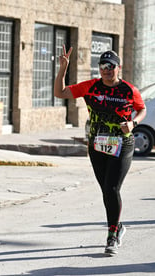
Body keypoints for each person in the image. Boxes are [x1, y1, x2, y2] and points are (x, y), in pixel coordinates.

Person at [54, 46, 146, 256]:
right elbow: (60, 92)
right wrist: (63, 69)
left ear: (118, 68)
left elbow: (142, 109)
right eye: (102, 66)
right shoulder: (91, 86)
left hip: (122, 144)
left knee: (112, 188)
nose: (106, 70)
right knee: (106, 190)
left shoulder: (129, 90)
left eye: (110, 66)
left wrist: (133, 123)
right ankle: (118, 225)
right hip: (97, 145)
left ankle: (112, 234)